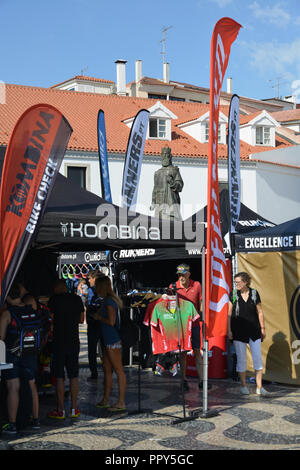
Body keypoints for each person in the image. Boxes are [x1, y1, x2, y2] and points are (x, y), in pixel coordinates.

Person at [0, 283, 41, 435]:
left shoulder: (7, 313)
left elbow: (1, 338)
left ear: (8, 296)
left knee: (13, 387)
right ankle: (36, 420)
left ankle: (12, 424)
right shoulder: (31, 309)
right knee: (32, 386)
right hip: (30, 353)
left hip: (12, 354)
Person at [170, 263, 211, 392]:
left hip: (193, 325)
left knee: (197, 351)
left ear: (189, 274)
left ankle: (202, 381)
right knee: (182, 353)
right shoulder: (173, 287)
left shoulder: (197, 285)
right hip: (180, 325)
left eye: (183, 275)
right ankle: (183, 381)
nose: (181, 277)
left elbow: (201, 303)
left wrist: (202, 318)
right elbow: (169, 307)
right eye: (179, 275)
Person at [47, 279, 84, 419]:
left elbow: (50, 317)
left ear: (58, 288)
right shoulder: (77, 299)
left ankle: (61, 410)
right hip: (74, 341)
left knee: (59, 376)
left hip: (59, 341)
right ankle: (74, 409)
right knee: (74, 375)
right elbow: (81, 319)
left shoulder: (54, 300)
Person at [228, 272, 269, 396]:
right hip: (238, 331)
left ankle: (259, 387)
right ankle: (243, 386)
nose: (236, 284)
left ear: (246, 282)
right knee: (241, 359)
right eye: (235, 282)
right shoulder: (233, 294)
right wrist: (229, 330)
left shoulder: (255, 293)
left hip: (254, 330)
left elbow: (260, 312)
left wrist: (262, 328)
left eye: (239, 282)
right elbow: (229, 314)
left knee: (257, 357)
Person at [93, 275, 127, 412]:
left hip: (112, 339)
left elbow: (111, 322)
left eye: (96, 285)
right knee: (107, 370)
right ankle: (106, 399)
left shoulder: (109, 302)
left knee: (118, 370)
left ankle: (121, 401)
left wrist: (98, 317)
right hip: (107, 339)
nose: (94, 287)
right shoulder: (108, 300)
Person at [150, 146, 184, 220]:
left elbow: (180, 185)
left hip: (171, 203)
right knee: (159, 223)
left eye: (166, 154)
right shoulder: (157, 173)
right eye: (163, 154)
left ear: (170, 156)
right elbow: (155, 189)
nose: (165, 156)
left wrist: (172, 182)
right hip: (160, 203)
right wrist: (153, 202)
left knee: (172, 224)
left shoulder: (174, 170)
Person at [86, 270, 105, 380]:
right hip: (100, 323)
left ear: (95, 279)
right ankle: (105, 371)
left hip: (96, 323)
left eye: (90, 278)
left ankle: (95, 373)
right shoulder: (105, 290)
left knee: (93, 350)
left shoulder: (92, 290)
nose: (88, 280)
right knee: (102, 350)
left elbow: (90, 306)